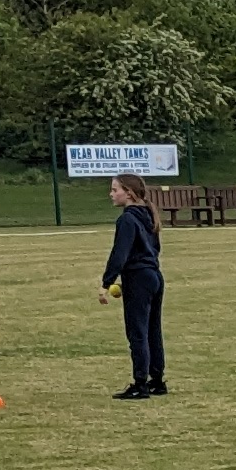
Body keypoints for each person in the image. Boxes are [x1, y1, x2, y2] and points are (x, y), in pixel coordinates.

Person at [96, 170, 168, 396]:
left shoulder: (127, 219)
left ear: (128, 193)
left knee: (137, 332)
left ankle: (140, 384)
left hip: (139, 278)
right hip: (154, 276)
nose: (111, 194)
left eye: (114, 189)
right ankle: (157, 380)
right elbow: (154, 249)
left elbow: (120, 254)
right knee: (153, 331)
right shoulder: (148, 214)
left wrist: (106, 283)